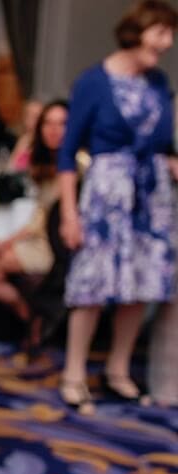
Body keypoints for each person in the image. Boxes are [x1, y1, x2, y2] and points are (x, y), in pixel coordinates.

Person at [57, 0, 178, 413]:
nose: (167, 43)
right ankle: (74, 374)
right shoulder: (94, 81)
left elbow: (161, 142)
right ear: (137, 30)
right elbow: (67, 153)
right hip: (107, 196)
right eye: (161, 32)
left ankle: (118, 370)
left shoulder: (159, 82)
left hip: (151, 196)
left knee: (140, 286)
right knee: (93, 286)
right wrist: (70, 214)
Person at [0, 100, 70, 345]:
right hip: (26, 234)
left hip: (47, 245)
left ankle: (11, 317)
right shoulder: (42, 162)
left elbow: (42, 223)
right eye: (47, 123)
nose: (53, 130)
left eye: (62, 124)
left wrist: (4, 245)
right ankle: (26, 316)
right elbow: (11, 174)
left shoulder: (70, 170)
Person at [8, 99, 44, 173]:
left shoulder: (44, 144)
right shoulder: (24, 139)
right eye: (28, 116)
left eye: (36, 116)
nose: (31, 120)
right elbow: (10, 166)